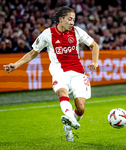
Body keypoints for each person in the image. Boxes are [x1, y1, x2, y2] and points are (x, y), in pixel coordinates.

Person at [3, 6, 99, 142]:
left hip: (78, 72)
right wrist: (16, 65)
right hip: (59, 70)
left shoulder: (77, 31)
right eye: (69, 19)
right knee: (61, 92)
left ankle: (68, 127)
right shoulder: (47, 34)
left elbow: (94, 45)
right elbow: (33, 53)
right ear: (61, 19)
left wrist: (95, 62)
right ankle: (70, 118)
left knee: (81, 108)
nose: (72, 22)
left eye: (73, 20)